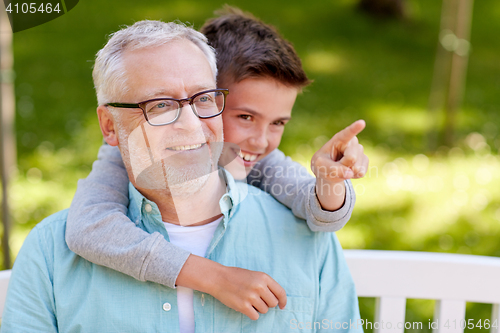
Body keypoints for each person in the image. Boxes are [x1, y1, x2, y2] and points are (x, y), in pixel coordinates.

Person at [1, 20, 363, 332]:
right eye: (160, 105)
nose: (191, 126)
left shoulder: (303, 234)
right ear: (109, 127)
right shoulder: (53, 250)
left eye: (203, 98)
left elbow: (316, 202)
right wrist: (214, 277)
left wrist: (331, 183)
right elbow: (87, 227)